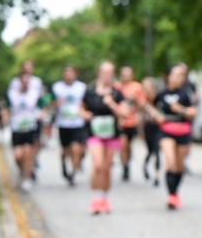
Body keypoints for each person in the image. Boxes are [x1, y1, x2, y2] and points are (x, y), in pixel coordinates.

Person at [81, 61, 129, 214]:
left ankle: (104, 198)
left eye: (110, 72)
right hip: (94, 133)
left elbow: (124, 113)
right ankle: (95, 198)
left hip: (111, 134)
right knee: (98, 165)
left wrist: (112, 104)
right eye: (105, 72)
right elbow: (80, 108)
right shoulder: (90, 91)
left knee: (107, 168)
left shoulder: (117, 93)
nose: (107, 75)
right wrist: (84, 115)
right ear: (99, 73)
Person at [149, 63, 196, 210]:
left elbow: (193, 112)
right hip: (166, 130)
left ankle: (175, 193)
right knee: (170, 162)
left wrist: (180, 109)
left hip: (182, 130)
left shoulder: (186, 93)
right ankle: (171, 196)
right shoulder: (161, 94)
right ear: (168, 76)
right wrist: (156, 116)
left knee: (179, 166)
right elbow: (151, 108)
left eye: (181, 75)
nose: (178, 78)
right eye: (175, 75)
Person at [5, 65, 45, 192]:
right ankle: (22, 172)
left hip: (30, 126)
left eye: (27, 81)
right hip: (16, 127)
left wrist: (42, 113)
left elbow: (42, 104)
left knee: (28, 152)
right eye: (23, 81)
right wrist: (5, 116)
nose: (25, 83)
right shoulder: (12, 94)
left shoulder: (34, 94)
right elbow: (6, 107)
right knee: (18, 155)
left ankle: (26, 177)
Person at [51, 65, 87, 187]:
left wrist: (84, 111)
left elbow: (86, 103)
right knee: (66, 151)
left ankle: (73, 174)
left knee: (76, 149)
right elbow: (48, 102)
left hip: (77, 123)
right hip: (63, 123)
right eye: (67, 73)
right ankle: (64, 163)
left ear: (75, 74)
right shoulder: (57, 87)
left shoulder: (81, 87)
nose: (69, 76)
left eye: (71, 73)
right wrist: (55, 103)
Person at [117, 65, 145, 182]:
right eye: (124, 74)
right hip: (120, 122)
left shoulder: (137, 87)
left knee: (128, 145)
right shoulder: (116, 87)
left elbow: (142, 105)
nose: (126, 76)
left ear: (132, 75)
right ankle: (125, 168)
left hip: (132, 121)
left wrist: (135, 100)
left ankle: (127, 162)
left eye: (128, 73)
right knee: (122, 145)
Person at [141, 77, 162, 187]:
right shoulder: (142, 99)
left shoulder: (159, 98)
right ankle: (145, 167)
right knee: (150, 150)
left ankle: (157, 176)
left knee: (157, 150)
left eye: (147, 85)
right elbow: (140, 117)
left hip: (158, 127)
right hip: (148, 127)